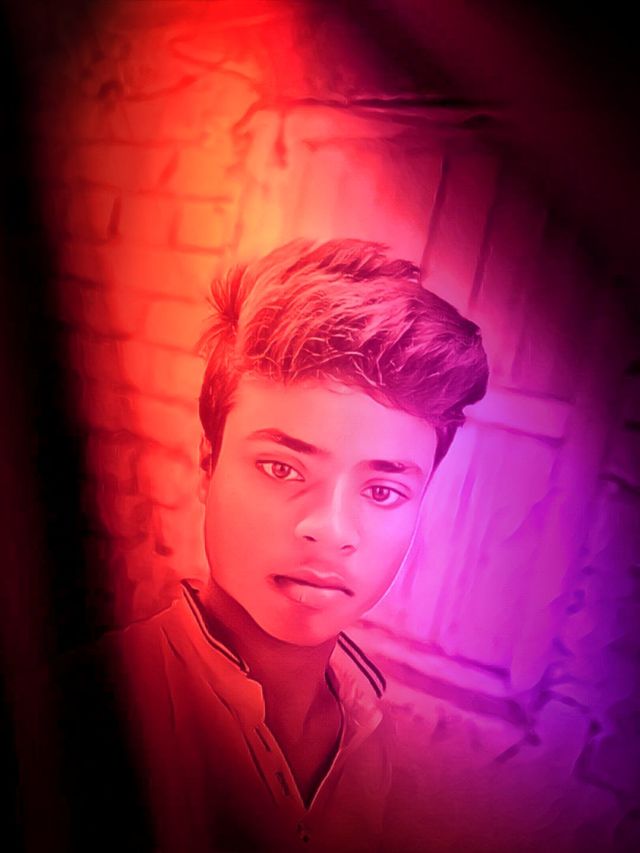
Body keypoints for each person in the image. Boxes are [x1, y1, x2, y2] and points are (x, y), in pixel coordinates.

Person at [63, 239, 490, 851]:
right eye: (281, 468)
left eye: (383, 491)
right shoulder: (77, 714)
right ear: (208, 465)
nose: (330, 528)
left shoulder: (374, 738)